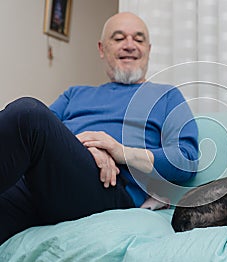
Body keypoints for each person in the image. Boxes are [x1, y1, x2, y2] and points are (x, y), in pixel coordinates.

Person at [0, 12, 198, 245]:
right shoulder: (75, 94)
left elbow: (186, 160)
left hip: (108, 188)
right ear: (102, 48)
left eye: (138, 39)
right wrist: (89, 148)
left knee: (27, 113)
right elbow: (40, 139)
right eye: (119, 38)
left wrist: (119, 151)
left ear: (148, 50)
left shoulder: (166, 96)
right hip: (41, 185)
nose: (129, 45)